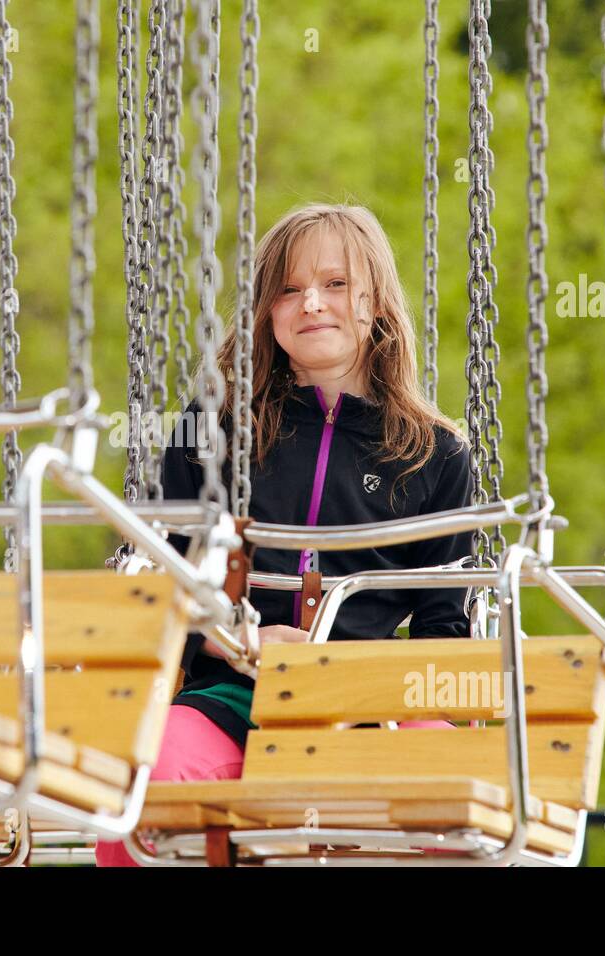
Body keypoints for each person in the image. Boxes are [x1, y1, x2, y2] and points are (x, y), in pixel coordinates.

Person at [95, 203, 475, 866]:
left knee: (454, 805)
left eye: (334, 284)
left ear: (376, 301)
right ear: (269, 312)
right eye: (289, 289)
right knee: (140, 805)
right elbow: (166, 586)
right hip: (233, 692)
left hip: (368, 698)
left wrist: (377, 684)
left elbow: (443, 627)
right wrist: (238, 640)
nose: (311, 304)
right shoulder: (215, 430)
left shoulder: (433, 454)